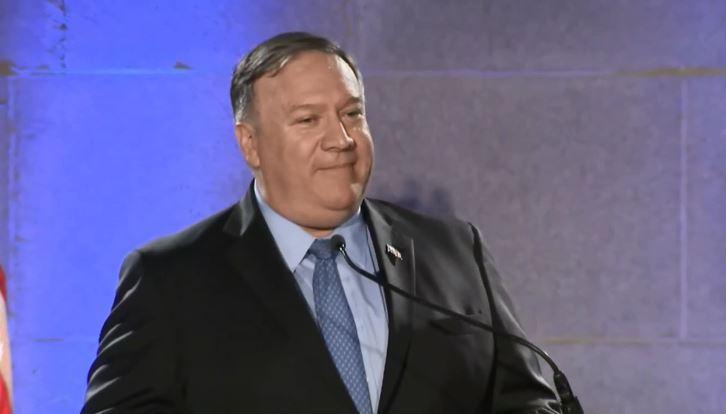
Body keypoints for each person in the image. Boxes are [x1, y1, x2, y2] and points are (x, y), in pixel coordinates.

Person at [81, 32, 561, 414]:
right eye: (308, 120)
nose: (342, 139)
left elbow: (527, 401)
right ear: (250, 144)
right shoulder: (169, 279)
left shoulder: (455, 250)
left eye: (352, 113)